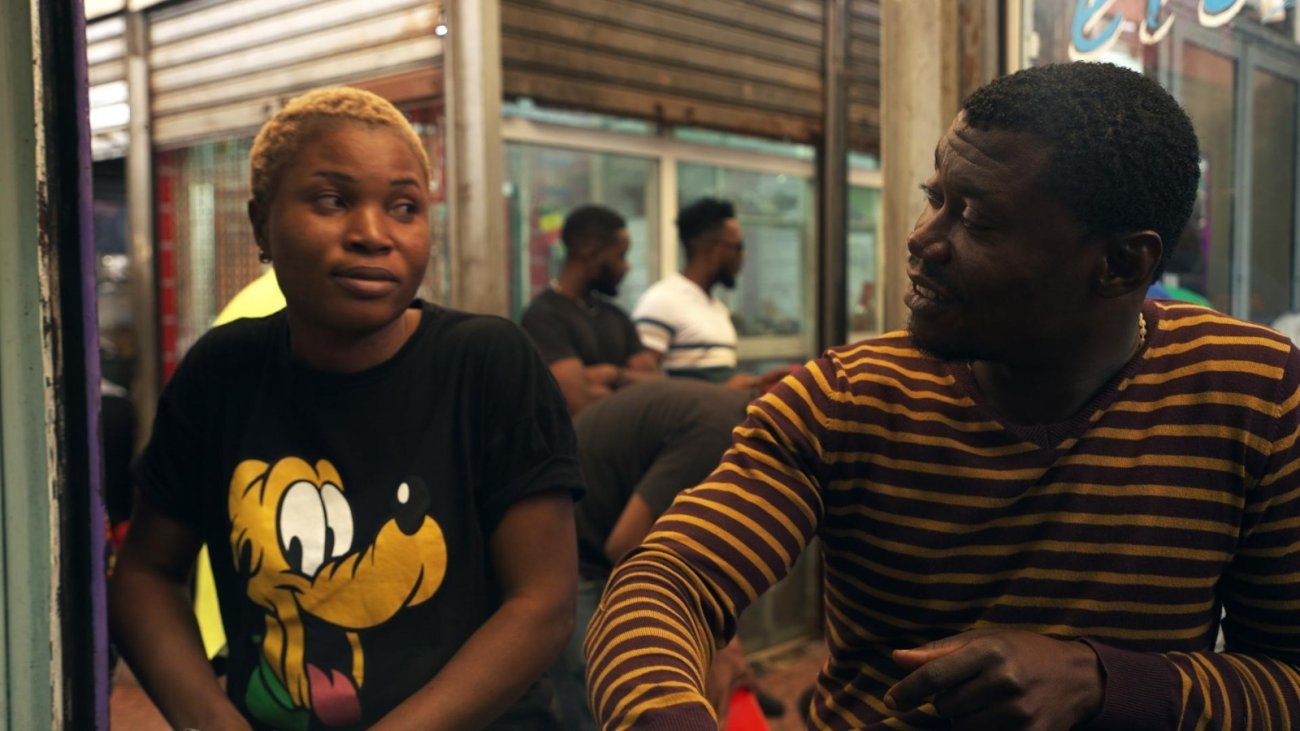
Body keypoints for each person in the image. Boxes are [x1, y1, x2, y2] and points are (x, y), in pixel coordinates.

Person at [585, 62, 1300, 729]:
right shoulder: (842, 399)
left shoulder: (1255, 393)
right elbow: (665, 582)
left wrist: (1105, 680)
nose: (923, 238)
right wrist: (665, 711)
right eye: (937, 199)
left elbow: (1287, 679)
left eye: (978, 221)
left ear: (1121, 263)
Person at [109, 86, 582, 730]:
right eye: (333, 201)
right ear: (260, 224)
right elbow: (144, 575)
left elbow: (543, 605)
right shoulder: (223, 372)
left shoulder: (487, 364)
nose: (372, 234)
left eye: (404, 207)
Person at [549, 379, 772, 730]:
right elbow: (626, 544)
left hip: (594, 529)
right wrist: (718, 644)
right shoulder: (717, 434)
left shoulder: (731, 412)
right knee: (602, 695)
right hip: (571, 550)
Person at [633, 198, 792, 391]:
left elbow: (720, 381)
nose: (743, 255)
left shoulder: (717, 309)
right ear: (712, 249)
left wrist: (757, 383)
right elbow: (641, 384)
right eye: (738, 246)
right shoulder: (662, 301)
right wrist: (722, 391)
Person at [520, 204, 661, 414]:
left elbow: (658, 387)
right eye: (620, 256)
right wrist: (630, 389)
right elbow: (578, 402)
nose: (627, 266)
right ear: (589, 252)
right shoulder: (544, 316)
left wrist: (613, 375)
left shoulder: (615, 316)